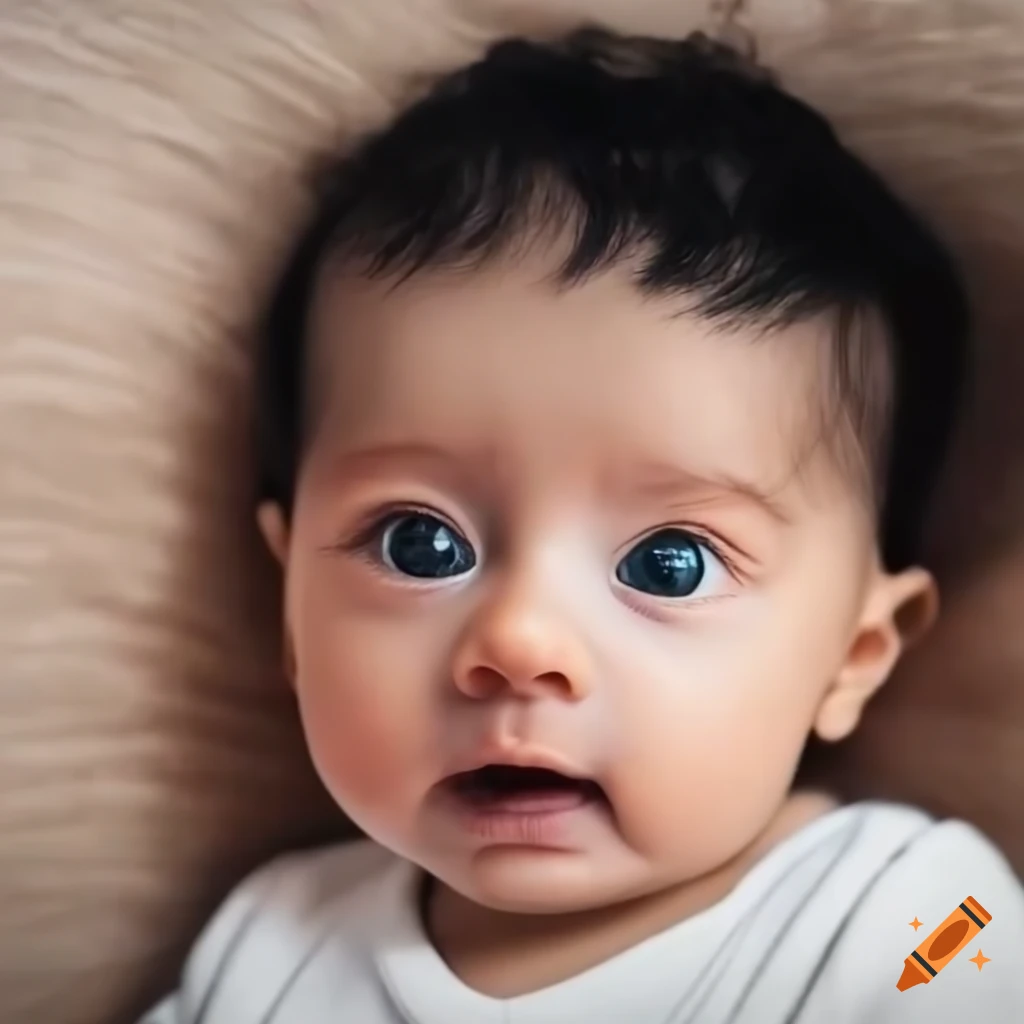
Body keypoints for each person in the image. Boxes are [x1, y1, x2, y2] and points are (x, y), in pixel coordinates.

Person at [142, 26, 1024, 1024]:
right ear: (293, 609)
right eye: (418, 543)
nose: (518, 641)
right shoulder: (272, 949)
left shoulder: (912, 920)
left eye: (670, 562)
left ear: (853, 654)